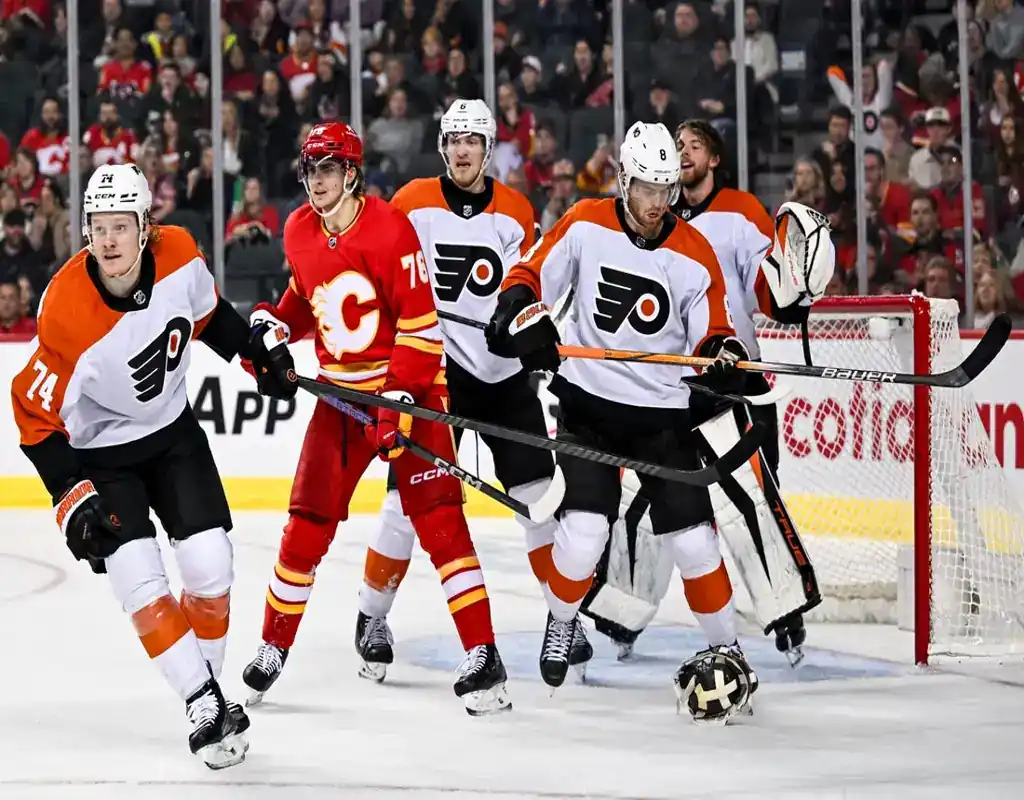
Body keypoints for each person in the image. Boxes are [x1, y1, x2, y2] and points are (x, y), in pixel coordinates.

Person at [10, 163, 294, 767]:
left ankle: (207, 689)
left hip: (172, 434)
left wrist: (253, 355)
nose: (108, 240)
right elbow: (33, 413)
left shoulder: (181, 254)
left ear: (147, 228)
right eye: (98, 227)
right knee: (141, 578)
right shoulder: (64, 307)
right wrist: (69, 491)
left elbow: (209, 317)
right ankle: (200, 699)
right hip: (102, 454)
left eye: (121, 226)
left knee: (211, 567)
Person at [484, 120, 758, 722]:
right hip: (589, 410)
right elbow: (531, 274)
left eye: (668, 190)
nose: (660, 203)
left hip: (663, 420)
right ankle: (561, 622)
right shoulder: (585, 221)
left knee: (694, 542)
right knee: (584, 537)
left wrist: (724, 360)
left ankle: (727, 650)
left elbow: (713, 331)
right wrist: (518, 308)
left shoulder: (693, 252)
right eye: (649, 190)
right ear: (625, 181)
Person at [240, 122, 511, 716]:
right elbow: (306, 297)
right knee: (306, 521)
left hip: (406, 397)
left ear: (353, 173)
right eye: (311, 170)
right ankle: (271, 646)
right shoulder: (298, 230)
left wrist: (400, 404)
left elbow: (421, 328)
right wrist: (274, 326)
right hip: (338, 403)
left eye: (329, 169)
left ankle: (483, 652)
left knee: (439, 520)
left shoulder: (391, 230)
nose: (318, 182)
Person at [349, 98, 594, 684]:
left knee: (538, 501)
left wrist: (524, 329)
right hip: (435, 376)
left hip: (504, 378)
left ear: (488, 150)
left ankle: (565, 618)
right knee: (403, 507)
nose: (462, 150)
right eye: (454, 140)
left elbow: (527, 284)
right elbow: (382, 267)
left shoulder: (514, 211)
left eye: (472, 141)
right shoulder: (410, 202)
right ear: (443, 146)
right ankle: (370, 615)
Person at [581, 120, 835, 667]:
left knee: (749, 502)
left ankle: (784, 611)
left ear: (714, 157)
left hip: (726, 384)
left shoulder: (740, 212)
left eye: (694, 146)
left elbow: (770, 290)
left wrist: (796, 286)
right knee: (639, 505)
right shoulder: (647, 222)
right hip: (663, 392)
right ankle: (620, 614)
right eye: (677, 148)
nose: (683, 154)